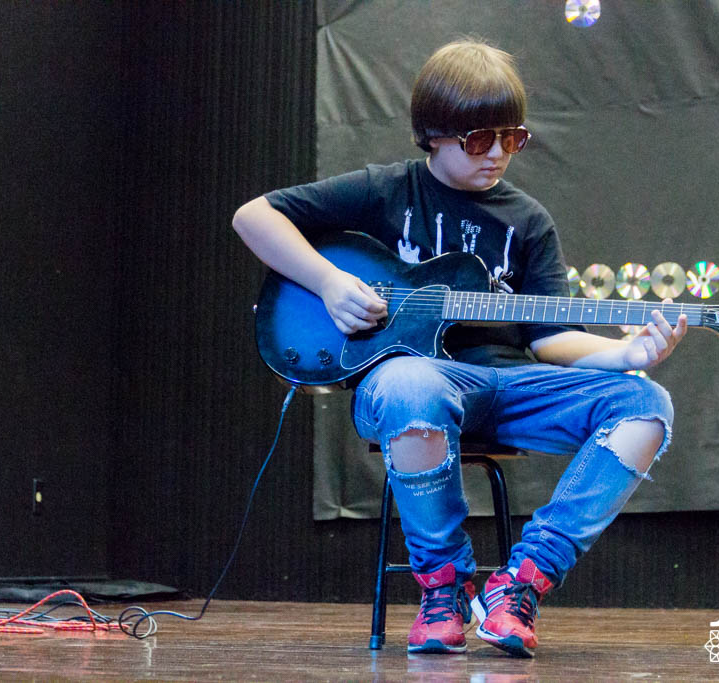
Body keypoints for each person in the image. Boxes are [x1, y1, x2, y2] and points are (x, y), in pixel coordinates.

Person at [233, 39, 686, 658]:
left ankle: (521, 583)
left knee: (647, 404)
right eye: (479, 139)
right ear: (433, 135)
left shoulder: (528, 221)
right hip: (408, 386)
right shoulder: (387, 191)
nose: (497, 153)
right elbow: (253, 217)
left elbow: (549, 337)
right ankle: (443, 588)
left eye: (512, 138)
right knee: (412, 383)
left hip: (507, 386)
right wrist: (330, 282)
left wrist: (627, 355)